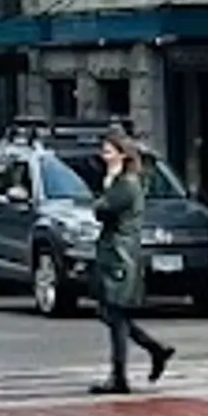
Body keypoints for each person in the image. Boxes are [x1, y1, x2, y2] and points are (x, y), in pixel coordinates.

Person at [86, 127, 175, 396]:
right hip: (116, 251)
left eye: (109, 151)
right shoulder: (125, 182)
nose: (104, 156)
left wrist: (108, 183)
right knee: (110, 313)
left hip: (120, 255)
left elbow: (102, 209)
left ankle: (121, 374)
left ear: (122, 155)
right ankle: (154, 350)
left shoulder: (125, 184)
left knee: (115, 314)